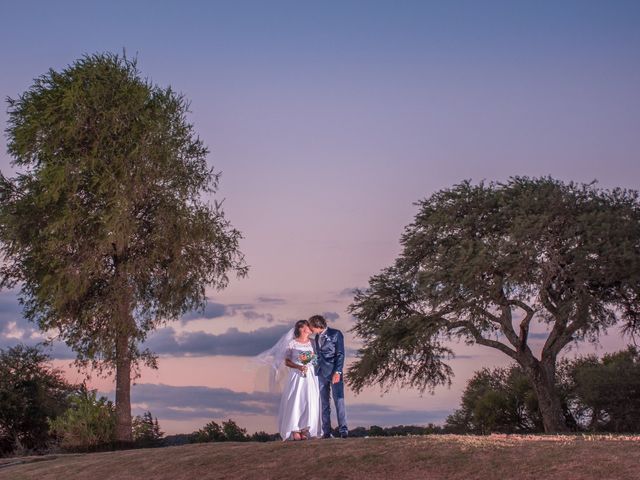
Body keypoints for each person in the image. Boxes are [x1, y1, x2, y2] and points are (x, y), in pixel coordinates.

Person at [255, 319, 321, 441]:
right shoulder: (292, 343)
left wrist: (311, 362)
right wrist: (299, 366)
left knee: (309, 399)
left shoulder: (313, 343)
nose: (310, 328)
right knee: (296, 400)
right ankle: (295, 428)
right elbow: (287, 361)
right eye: (308, 326)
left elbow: (316, 359)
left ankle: (306, 428)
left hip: (310, 375)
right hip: (297, 375)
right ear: (301, 328)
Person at [308, 314, 348, 438]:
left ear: (317, 325)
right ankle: (326, 431)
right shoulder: (316, 337)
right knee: (324, 403)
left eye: (311, 326)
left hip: (334, 372)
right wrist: (311, 363)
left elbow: (340, 354)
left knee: (339, 401)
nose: (310, 329)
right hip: (321, 373)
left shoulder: (336, 334)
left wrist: (338, 372)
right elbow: (317, 355)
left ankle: (343, 430)